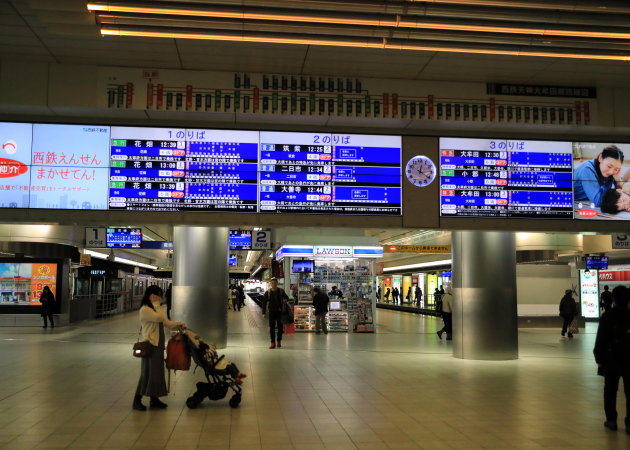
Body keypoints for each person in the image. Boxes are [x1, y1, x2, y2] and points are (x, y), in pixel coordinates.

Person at [133, 285, 185, 411]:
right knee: (147, 373)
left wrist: (178, 325)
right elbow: (160, 318)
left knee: (156, 373)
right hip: (151, 346)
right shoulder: (145, 310)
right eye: (159, 295)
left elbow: (166, 323)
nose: (161, 298)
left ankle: (154, 399)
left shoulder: (153, 309)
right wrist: (156, 304)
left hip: (158, 346)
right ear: (152, 296)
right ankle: (137, 400)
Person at [593, 285, 630, 432]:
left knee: (610, 390)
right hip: (629, 360)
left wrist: (599, 359)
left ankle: (611, 420)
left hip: (611, 359)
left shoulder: (607, 316)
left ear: (613, 299)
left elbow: (601, 340)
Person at [262, 278, 289, 349]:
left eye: (275, 283)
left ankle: (279, 340)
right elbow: (264, 303)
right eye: (272, 283)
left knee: (280, 327)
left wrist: (285, 299)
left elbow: (287, 297)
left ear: (277, 283)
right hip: (271, 312)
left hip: (280, 312)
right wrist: (263, 312)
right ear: (270, 284)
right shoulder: (268, 292)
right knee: (272, 328)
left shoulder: (281, 291)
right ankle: (272, 342)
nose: (273, 284)